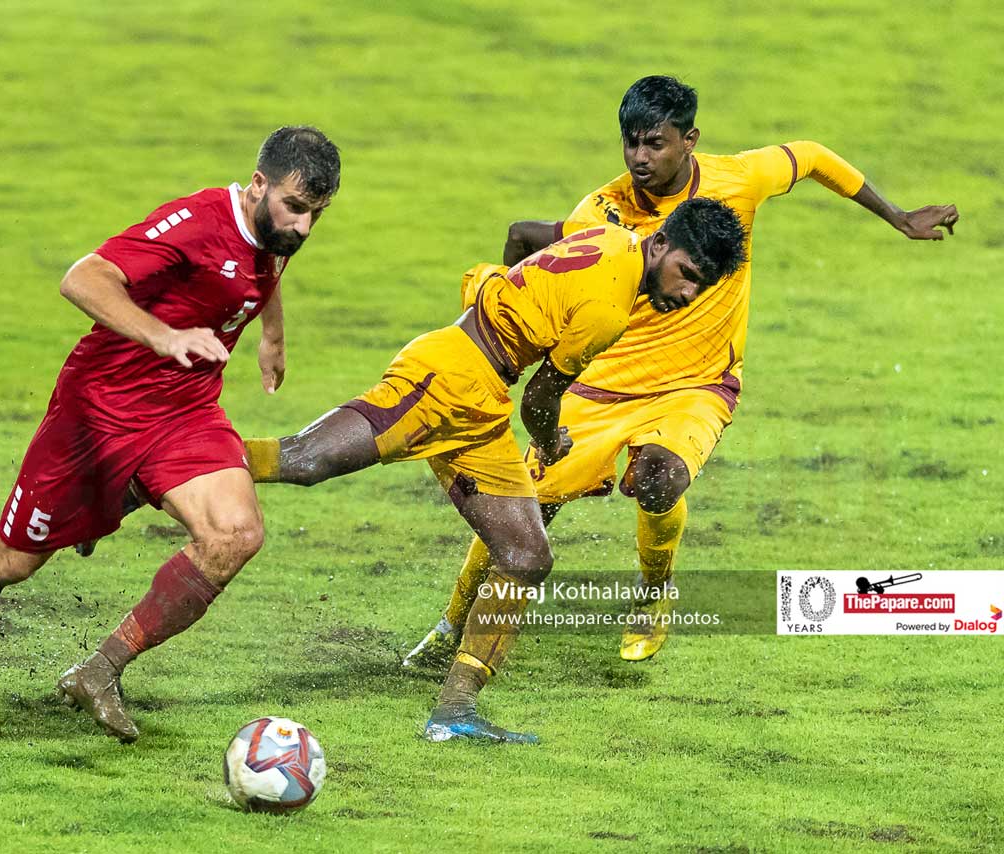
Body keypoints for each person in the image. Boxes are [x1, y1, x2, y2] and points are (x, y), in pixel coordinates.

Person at [403, 75, 959, 668]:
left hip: (695, 385)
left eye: (655, 144)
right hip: (599, 386)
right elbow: (533, 256)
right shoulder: (601, 212)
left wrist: (898, 217)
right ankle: (452, 623)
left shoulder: (737, 181)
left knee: (661, 477)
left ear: (689, 139)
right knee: (524, 510)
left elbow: (816, 157)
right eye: (630, 143)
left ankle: (652, 594)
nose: (640, 158)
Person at [0, 126, 341, 742]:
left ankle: (101, 670)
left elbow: (264, 266)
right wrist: (164, 337)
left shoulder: (272, 231)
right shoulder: (193, 223)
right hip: (98, 414)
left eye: (315, 215)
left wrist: (273, 338)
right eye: (295, 209)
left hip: (186, 412)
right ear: (257, 185)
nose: (302, 228)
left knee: (236, 534)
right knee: (11, 561)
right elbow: (82, 278)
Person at [244, 198, 748, 742]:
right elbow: (540, 398)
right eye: (688, 275)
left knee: (526, 555)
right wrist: (551, 439)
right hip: (446, 378)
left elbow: (523, 239)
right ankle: (172, 457)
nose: (687, 294)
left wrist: (506, 302)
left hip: (479, 401)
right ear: (662, 243)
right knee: (304, 460)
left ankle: (453, 712)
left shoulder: (609, 239)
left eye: (703, 286)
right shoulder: (609, 309)